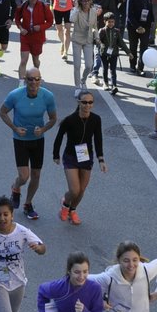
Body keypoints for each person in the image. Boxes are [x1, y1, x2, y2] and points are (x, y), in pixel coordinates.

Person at [0, 69, 58, 221]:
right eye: (30, 79)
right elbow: (2, 112)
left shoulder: (48, 96)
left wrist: (43, 129)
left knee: (36, 175)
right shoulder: (15, 95)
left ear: (41, 80)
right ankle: (16, 187)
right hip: (20, 139)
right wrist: (15, 128)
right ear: (25, 80)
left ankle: (28, 204)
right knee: (24, 176)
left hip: (38, 140)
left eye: (37, 79)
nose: (33, 82)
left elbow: (53, 119)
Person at [51, 89, 106, 224]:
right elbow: (58, 138)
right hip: (70, 156)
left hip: (86, 156)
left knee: (81, 190)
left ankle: (72, 210)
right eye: (84, 102)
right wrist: (56, 155)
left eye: (90, 102)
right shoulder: (70, 120)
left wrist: (101, 159)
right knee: (74, 190)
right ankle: (65, 204)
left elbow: (98, 139)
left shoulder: (96, 119)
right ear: (79, 103)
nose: (87, 105)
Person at [15, 0, 52, 76]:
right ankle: (21, 83)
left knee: (35, 60)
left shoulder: (44, 7)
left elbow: (50, 21)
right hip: (25, 36)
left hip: (37, 37)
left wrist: (40, 27)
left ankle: (35, 74)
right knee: (23, 60)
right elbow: (17, 19)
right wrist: (21, 28)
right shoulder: (23, 6)